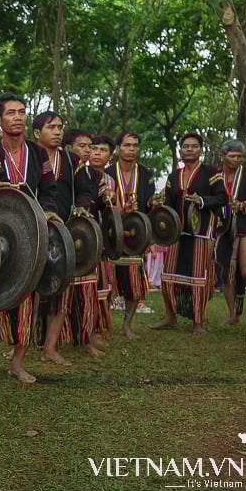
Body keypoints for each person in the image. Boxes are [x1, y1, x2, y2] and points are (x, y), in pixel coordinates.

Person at [0, 92, 60, 386]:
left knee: (29, 296)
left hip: (31, 233)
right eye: (10, 113)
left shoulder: (39, 155)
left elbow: (50, 189)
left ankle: (17, 362)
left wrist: (49, 212)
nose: (17, 117)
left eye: (21, 112)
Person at [152, 132, 227, 335]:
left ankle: (197, 321)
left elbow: (222, 198)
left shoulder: (211, 172)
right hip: (177, 232)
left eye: (194, 146)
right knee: (168, 275)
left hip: (201, 231)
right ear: (180, 150)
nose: (190, 149)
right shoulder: (174, 176)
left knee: (198, 277)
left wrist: (202, 201)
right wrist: (159, 212)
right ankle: (170, 316)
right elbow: (168, 204)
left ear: (200, 150)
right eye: (186, 146)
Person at [33, 111, 75, 366]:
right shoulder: (30, 157)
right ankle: (23, 344)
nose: (58, 131)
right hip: (34, 230)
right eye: (51, 127)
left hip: (63, 230)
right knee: (31, 292)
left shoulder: (71, 160)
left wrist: (82, 204)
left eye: (60, 127)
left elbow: (84, 188)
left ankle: (50, 347)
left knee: (61, 289)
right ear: (38, 133)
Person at [104, 133, 155, 339]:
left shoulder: (145, 173)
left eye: (135, 145)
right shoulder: (107, 173)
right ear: (118, 149)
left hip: (136, 236)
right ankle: (105, 326)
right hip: (111, 234)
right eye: (127, 145)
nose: (131, 149)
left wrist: (154, 203)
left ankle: (126, 324)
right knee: (108, 284)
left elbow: (150, 203)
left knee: (134, 287)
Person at [71, 135, 119, 354]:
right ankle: (49, 341)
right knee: (58, 292)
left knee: (90, 287)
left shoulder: (94, 175)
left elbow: (99, 204)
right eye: (84, 147)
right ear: (68, 148)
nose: (90, 151)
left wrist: (108, 197)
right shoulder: (62, 170)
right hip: (64, 234)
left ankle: (90, 334)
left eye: (91, 147)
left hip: (88, 237)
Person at [214, 139, 246, 328]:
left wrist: (244, 205)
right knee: (226, 272)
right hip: (223, 227)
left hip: (244, 226)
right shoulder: (217, 176)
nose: (236, 159)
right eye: (232, 155)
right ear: (224, 155)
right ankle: (233, 314)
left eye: (239, 156)